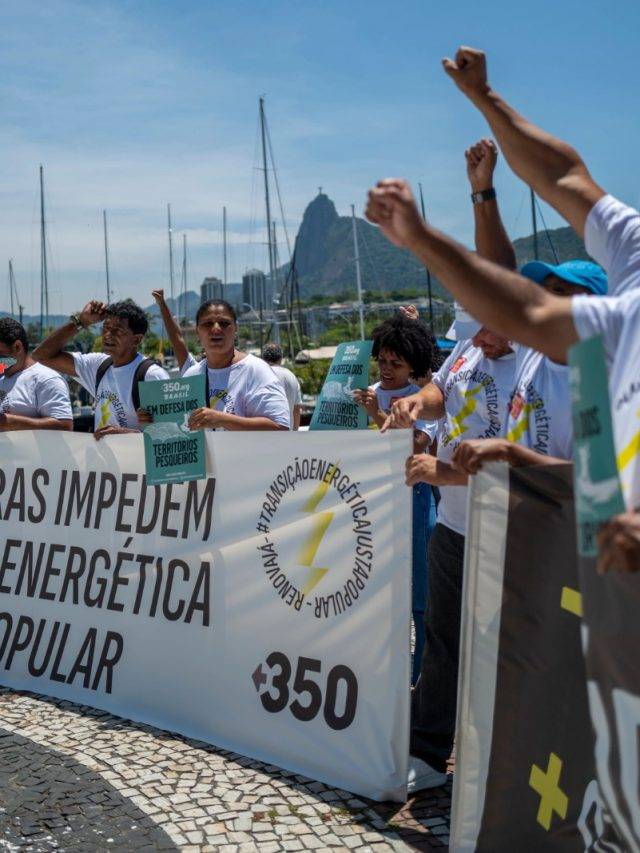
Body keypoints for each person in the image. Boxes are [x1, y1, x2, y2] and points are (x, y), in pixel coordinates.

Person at [365, 46, 640, 571]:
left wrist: (421, 238)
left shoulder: (595, 341)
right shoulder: (588, 331)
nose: (544, 306)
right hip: (544, 554)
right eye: (543, 292)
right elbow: (564, 176)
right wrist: (483, 97)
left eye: (559, 293)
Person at [379, 306, 515, 790]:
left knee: (502, 649)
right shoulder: (470, 344)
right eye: (469, 333)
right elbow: (444, 389)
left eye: (486, 330)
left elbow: (533, 458)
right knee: (440, 640)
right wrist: (418, 401)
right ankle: (430, 752)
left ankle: (504, 762)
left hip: (508, 532)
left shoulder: (538, 364)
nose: (477, 342)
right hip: (455, 524)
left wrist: (451, 473)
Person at [453, 138, 607, 473]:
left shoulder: (604, 381)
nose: (544, 299)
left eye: (559, 291)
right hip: (519, 508)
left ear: (595, 308)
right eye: (543, 290)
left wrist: (509, 453)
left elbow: (591, 482)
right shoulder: (533, 349)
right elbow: (499, 276)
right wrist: (482, 190)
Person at [353, 313, 438, 686]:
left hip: (414, 494)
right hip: (371, 498)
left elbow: (418, 445)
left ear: (412, 366)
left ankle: (417, 680)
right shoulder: (366, 390)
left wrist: (376, 414)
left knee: (420, 592)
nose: (386, 369)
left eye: (396, 363)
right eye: (382, 361)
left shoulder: (424, 399)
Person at [33, 300, 169, 439]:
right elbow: (40, 355)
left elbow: (170, 434)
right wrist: (81, 321)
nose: (108, 335)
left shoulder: (151, 375)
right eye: (106, 328)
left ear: (137, 340)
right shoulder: (98, 366)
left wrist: (124, 435)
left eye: (117, 330)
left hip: (134, 454)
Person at [183, 300, 290, 431]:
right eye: (207, 324)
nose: (216, 329)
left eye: (224, 323)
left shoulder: (256, 370)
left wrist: (223, 420)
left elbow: (281, 427)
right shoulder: (191, 376)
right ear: (197, 331)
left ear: (236, 329)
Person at [0, 317, 72, 431]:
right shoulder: (2, 380)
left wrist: (9, 422)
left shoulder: (46, 379)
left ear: (17, 347)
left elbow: (64, 426)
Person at [151, 289, 200, 374]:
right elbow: (176, 338)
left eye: (223, 324)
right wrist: (162, 304)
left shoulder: (192, 368)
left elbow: (177, 338)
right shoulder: (193, 369)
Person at [261, 343, 303, 430]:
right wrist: (294, 432)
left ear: (263, 358)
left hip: (265, 434)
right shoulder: (291, 375)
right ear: (281, 358)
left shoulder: (259, 374)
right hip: (287, 433)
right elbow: (296, 409)